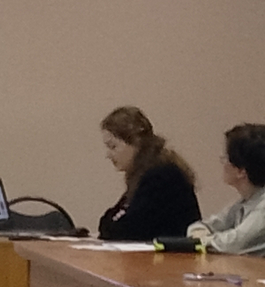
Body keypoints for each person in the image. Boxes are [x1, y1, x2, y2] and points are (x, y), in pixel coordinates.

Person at [98, 106, 201, 241]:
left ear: (136, 143)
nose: (108, 155)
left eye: (113, 146)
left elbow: (127, 228)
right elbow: (112, 219)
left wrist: (109, 225)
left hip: (174, 254)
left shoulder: (161, 176)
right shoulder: (144, 174)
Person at [186, 123, 265, 256]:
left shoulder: (262, 208)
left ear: (241, 171)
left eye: (226, 159)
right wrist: (200, 236)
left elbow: (234, 244)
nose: (223, 163)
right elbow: (204, 226)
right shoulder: (243, 202)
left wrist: (202, 240)